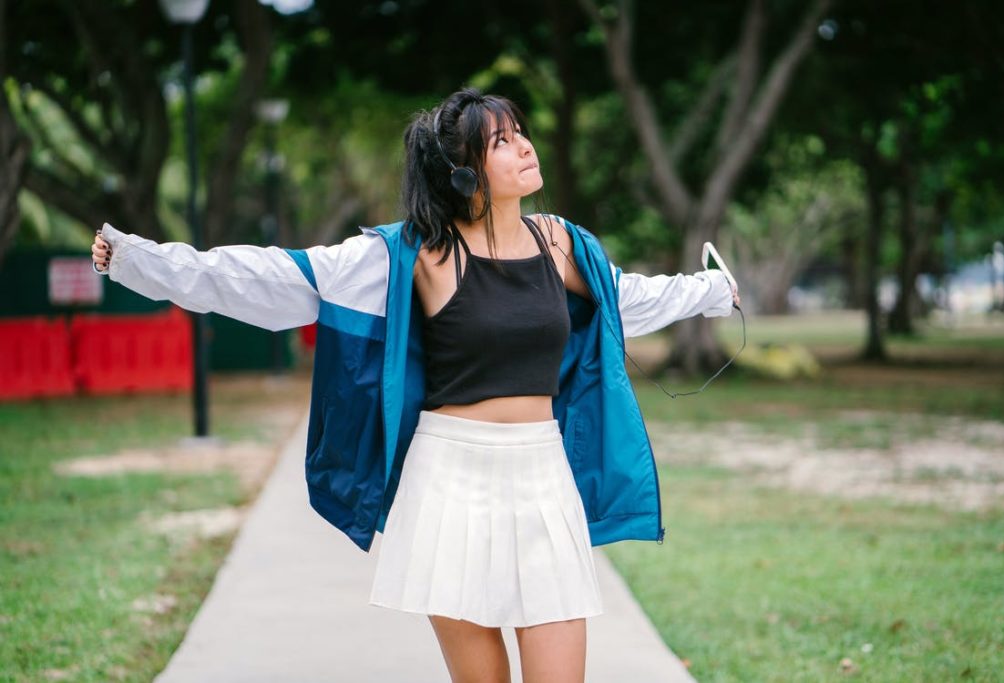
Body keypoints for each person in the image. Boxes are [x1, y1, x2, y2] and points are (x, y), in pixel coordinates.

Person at [91, 87, 739, 683]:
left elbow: (626, 299)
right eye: (500, 141)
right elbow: (272, 277)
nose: (524, 146)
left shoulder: (562, 244)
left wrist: (714, 291)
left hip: (543, 475)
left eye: (520, 132)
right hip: (450, 479)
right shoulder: (414, 254)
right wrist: (139, 261)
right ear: (463, 172)